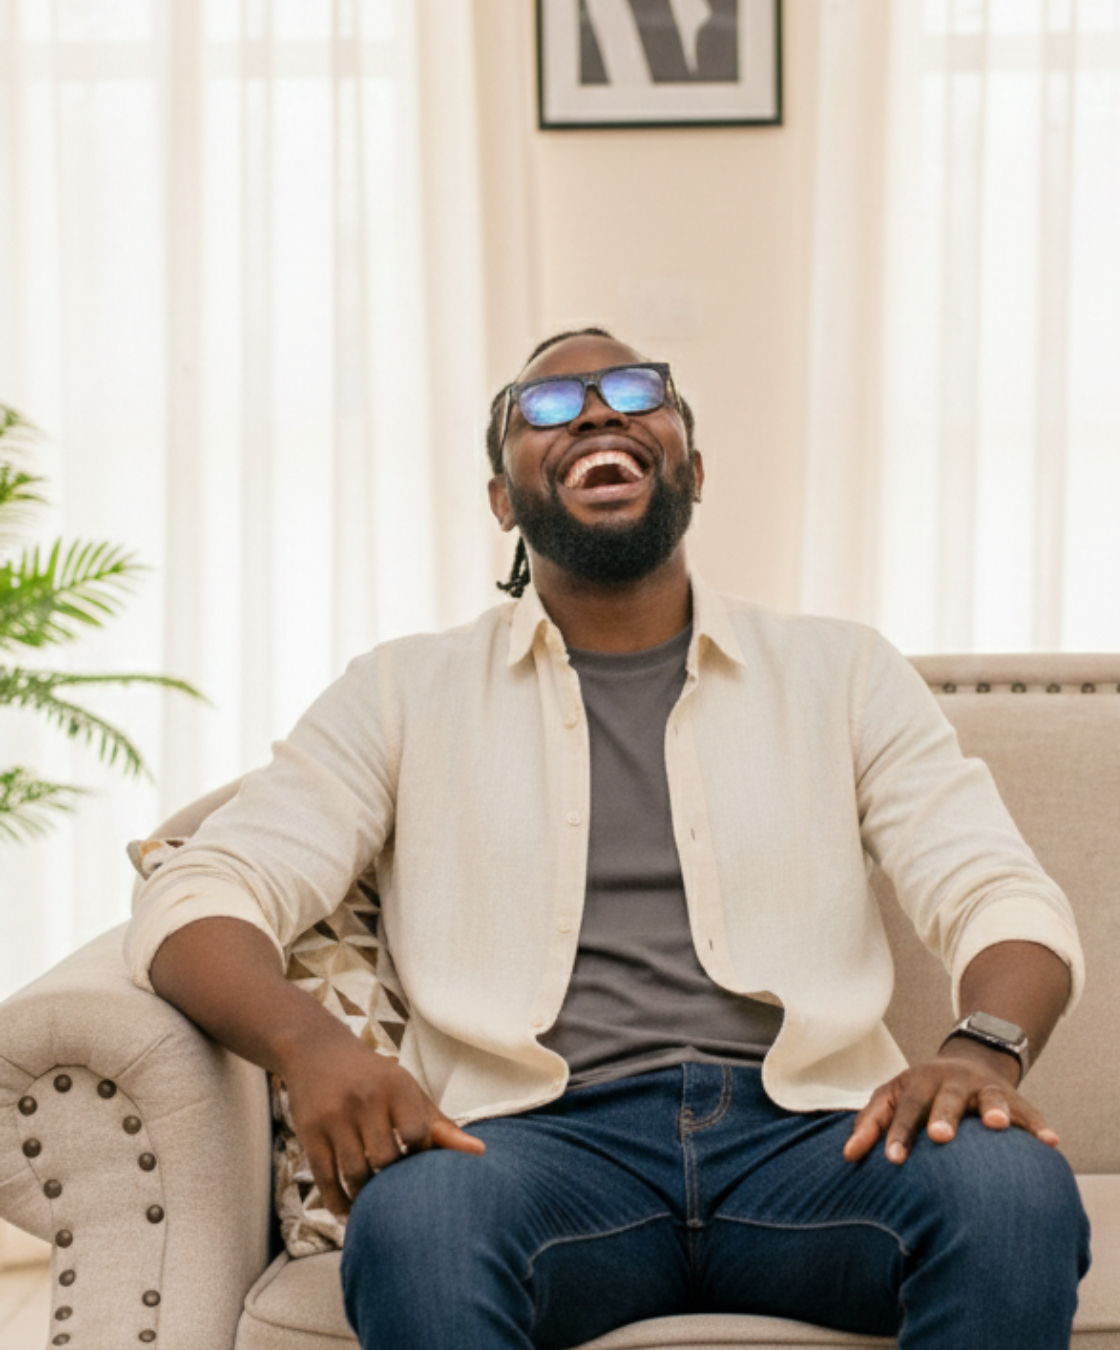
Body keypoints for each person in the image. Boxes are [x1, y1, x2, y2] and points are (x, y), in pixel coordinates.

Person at [126, 328, 1091, 1349]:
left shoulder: (840, 670)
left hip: (817, 1139)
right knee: (420, 1223)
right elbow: (204, 891)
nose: (595, 412)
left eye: (636, 391)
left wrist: (982, 1049)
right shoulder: (400, 693)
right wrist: (309, 1045)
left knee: (1010, 1189)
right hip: (532, 1151)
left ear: (693, 466)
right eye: (542, 407)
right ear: (502, 499)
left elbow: (997, 891)